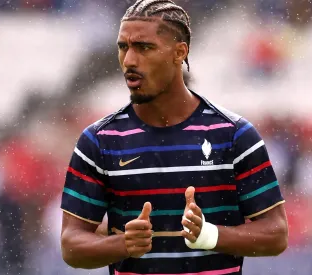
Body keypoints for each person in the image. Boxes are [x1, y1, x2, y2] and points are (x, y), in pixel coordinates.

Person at [60, 1, 288, 274]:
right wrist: (122, 244)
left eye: (144, 47)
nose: (130, 60)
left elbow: (276, 234)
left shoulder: (235, 135)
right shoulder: (99, 141)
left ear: (179, 53)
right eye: (123, 47)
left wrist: (210, 236)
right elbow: (71, 245)